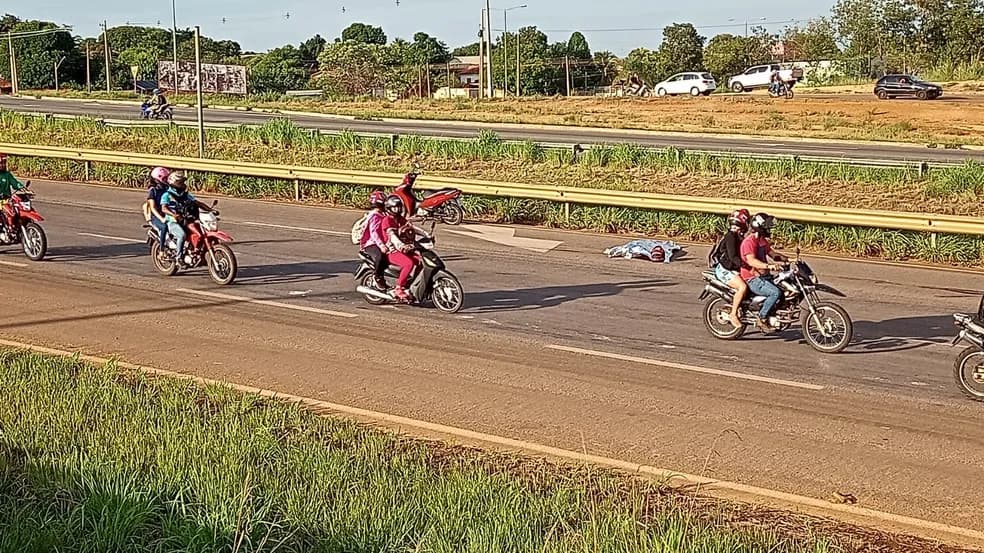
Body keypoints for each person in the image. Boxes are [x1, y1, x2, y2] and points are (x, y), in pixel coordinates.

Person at [740, 212, 787, 333]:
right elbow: (752, 261)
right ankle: (761, 318)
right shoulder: (749, 242)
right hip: (752, 277)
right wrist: (769, 266)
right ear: (759, 226)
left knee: (783, 289)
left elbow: (773, 255)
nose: (769, 229)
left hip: (764, 275)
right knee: (775, 293)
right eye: (766, 226)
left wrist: (787, 259)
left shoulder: (762, 241)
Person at [381, 195, 429, 302]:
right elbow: (392, 235)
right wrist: (400, 245)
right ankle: (399, 287)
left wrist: (426, 235)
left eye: (398, 207)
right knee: (409, 263)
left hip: (404, 248)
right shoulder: (387, 220)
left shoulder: (400, 219)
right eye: (395, 208)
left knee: (421, 261)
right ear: (389, 208)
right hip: (392, 250)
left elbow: (411, 228)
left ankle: (412, 284)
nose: (397, 210)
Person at [160, 172, 212, 266]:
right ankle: (178, 257)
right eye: (180, 183)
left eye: (183, 182)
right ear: (173, 183)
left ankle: (196, 251)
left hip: (186, 220)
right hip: (173, 222)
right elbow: (164, 208)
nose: (183, 185)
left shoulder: (186, 195)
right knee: (182, 235)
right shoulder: (167, 195)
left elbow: (198, 203)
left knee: (198, 231)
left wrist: (210, 210)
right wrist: (173, 214)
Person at [712, 209, 751, 328]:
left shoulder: (740, 237)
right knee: (742, 287)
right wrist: (747, 266)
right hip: (725, 269)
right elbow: (733, 257)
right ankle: (733, 314)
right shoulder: (730, 237)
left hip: (733, 268)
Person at [359, 190, 390, 289]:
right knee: (380, 257)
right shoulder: (375, 216)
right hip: (371, 244)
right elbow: (374, 233)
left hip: (382, 242)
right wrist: (382, 246)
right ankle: (377, 277)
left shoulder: (384, 214)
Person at [143, 166, 171, 251]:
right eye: (165, 178)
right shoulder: (153, 191)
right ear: (158, 179)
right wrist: (161, 218)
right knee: (164, 227)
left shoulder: (168, 189)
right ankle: (162, 249)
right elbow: (153, 208)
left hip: (167, 213)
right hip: (156, 216)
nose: (167, 180)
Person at [0, 153, 25, 235]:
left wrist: (21, 187)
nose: (2, 165)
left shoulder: (7, 174)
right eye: (1, 163)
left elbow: (15, 183)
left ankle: (14, 228)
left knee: (16, 210)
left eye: (4, 163)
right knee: (9, 212)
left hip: (7, 199)